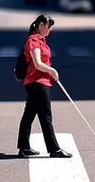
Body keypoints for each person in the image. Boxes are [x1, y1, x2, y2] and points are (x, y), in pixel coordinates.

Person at [16, 14, 72, 158]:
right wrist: (52, 70)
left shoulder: (40, 40)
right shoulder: (33, 40)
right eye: (49, 26)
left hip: (37, 82)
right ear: (41, 25)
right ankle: (54, 149)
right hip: (37, 83)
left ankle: (24, 147)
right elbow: (37, 64)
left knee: (29, 114)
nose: (50, 29)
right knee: (45, 116)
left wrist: (49, 71)